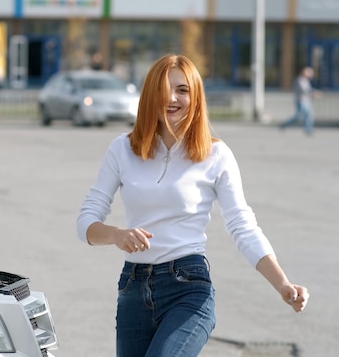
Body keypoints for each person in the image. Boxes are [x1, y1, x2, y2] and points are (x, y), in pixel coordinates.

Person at [76, 54, 309, 357]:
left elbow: (243, 226)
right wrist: (117, 235)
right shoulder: (122, 149)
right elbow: (86, 222)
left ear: (196, 96)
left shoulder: (216, 154)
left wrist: (283, 284)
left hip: (187, 287)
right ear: (149, 95)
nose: (172, 98)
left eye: (182, 90)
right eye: (163, 89)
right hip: (133, 288)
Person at [279, 66, 321, 135]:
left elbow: (307, 90)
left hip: (306, 101)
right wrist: (314, 93)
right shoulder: (299, 80)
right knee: (299, 117)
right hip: (300, 101)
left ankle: (308, 129)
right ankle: (284, 124)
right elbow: (304, 90)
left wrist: (313, 93)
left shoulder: (305, 81)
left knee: (309, 115)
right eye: (309, 73)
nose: (311, 74)